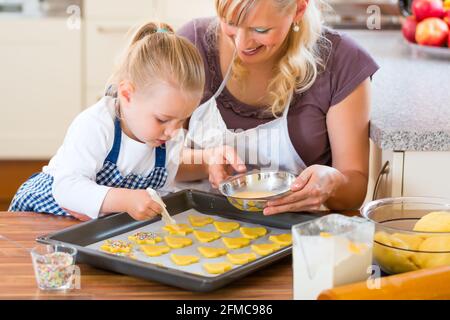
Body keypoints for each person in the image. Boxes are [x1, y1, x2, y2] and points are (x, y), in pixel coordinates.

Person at [176, 0, 380, 215]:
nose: (241, 43)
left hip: (297, 236)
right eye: (230, 23)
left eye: (260, 29)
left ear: (299, 9)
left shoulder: (342, 62)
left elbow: (354, 191)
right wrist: (206, 162)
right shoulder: (192, 45)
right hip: (198, 229)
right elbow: (153, 158)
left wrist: (333, 182)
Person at [9, 21, 212, 221]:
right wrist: (124, 200)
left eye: (182, 120)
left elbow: (162, 191)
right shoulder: (96, 125)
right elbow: (67, 188)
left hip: (95, 228)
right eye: (162, 119)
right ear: (126, 94)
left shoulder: (169, 140)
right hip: (43, 216)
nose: (173, 132)